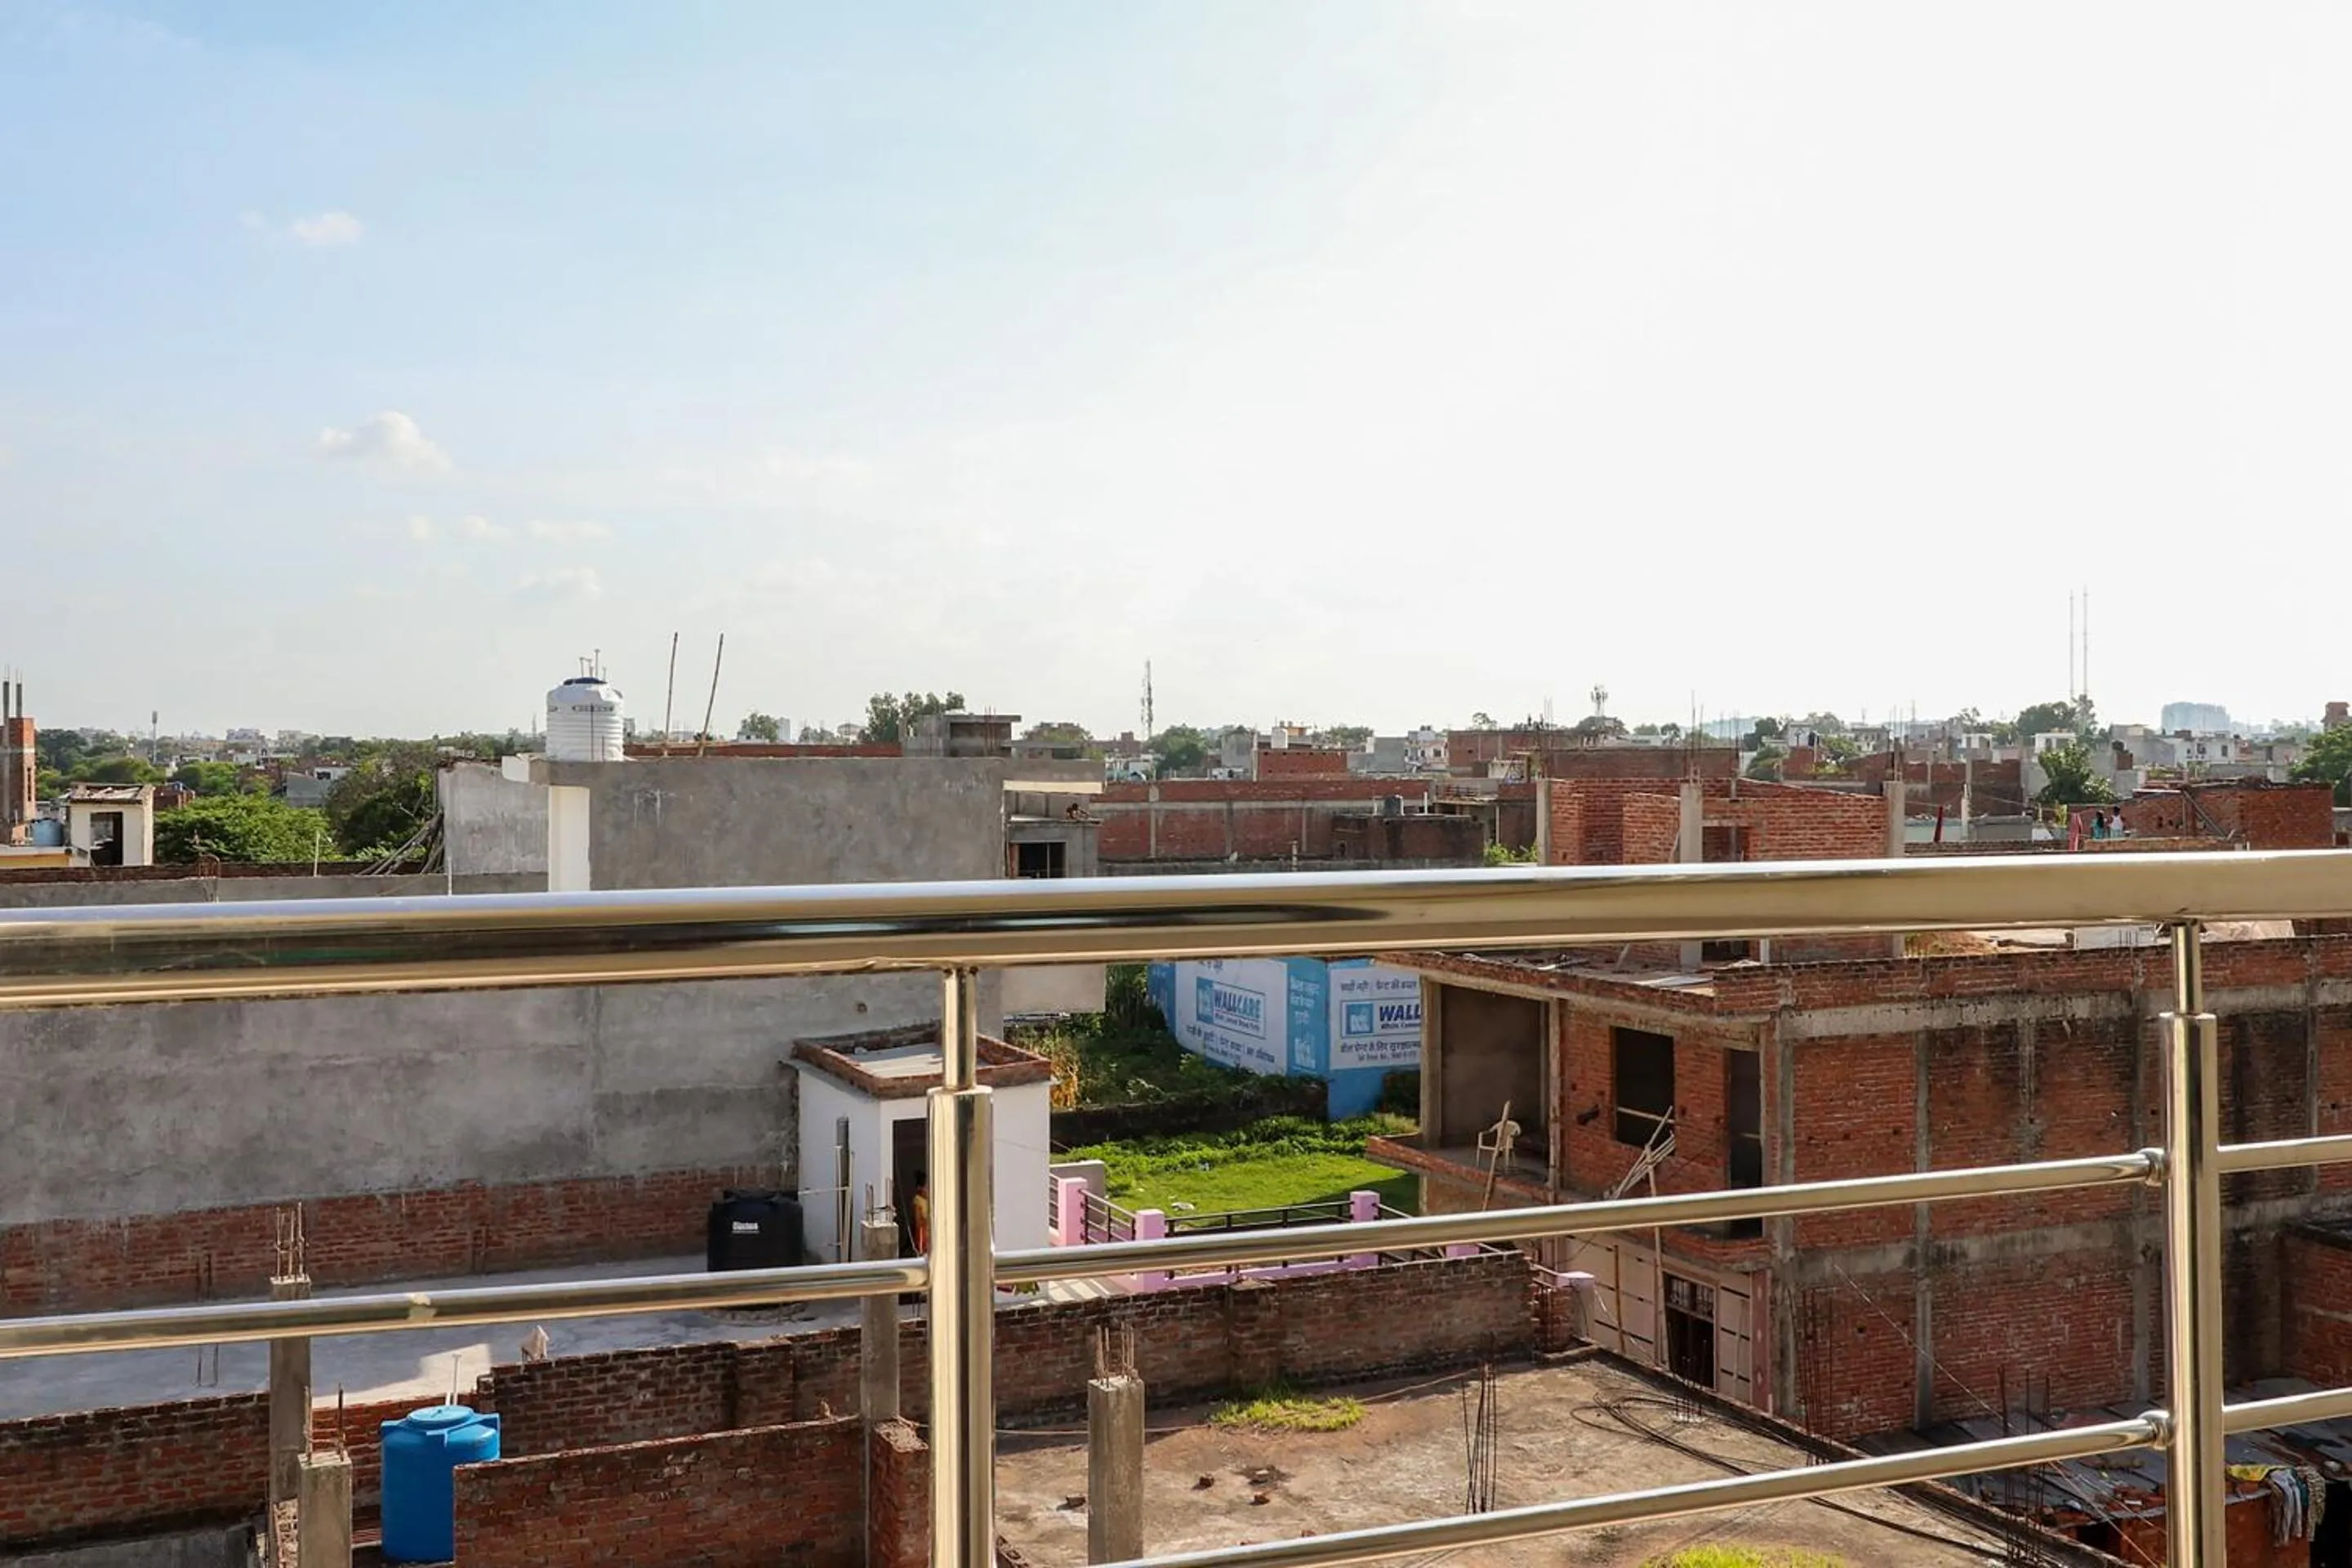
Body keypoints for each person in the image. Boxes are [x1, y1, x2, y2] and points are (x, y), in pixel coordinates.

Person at [911, 1172, 931, 1254]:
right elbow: (918, 1221)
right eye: (926, 1187)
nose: (928, 1190)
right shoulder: (918, 1200)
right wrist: (926, 1221)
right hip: (923, 1234)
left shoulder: (930, 1200)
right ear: (920, 1188)